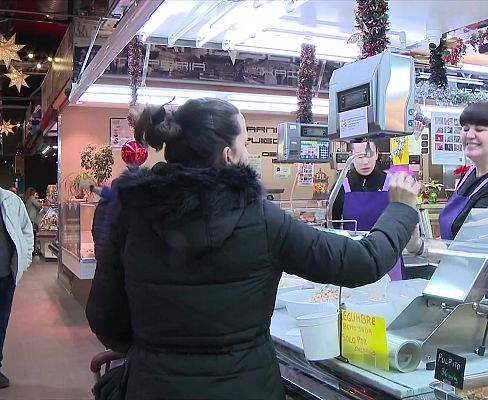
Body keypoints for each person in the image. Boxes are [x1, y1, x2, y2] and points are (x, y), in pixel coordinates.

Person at [85, 98, 420, 400]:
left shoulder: (131, 214)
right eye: (244, 143)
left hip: (152, 387)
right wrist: (402, 210)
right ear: (228, 155)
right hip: (247, 386)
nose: (248, 153)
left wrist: (159, 349)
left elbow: (105, 318)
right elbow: (363, 262)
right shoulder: (262, 219)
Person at [407, 102, 488, 300]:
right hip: (468, 288)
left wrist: (420, 246)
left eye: (480, 129)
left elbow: (475, 254)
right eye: (466, 128)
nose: (469, 134)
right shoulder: (470, 174)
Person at [330, 140, 405, 281]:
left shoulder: (393, 184)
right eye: (359, 156)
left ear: (377, 154)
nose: (365, 162)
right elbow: (332, 227)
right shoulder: (341, 187)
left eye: (369, 155)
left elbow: (404, 222)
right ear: (350, 156)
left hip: (388, 260)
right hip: (354, 260)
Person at [0, 186, 35, 388]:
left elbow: (26, 230)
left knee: (1, 326)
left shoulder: (11, 201)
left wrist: (24, 260)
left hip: (6, 278)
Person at [24, 187, 42, 255]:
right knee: (33, 235)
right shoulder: (31, 198)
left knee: (31, 234)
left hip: (29, 218)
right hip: (33, 218)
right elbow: (39, 206)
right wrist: (40, 202)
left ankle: (32, 249)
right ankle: (34, 249)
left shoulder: (27, 199)